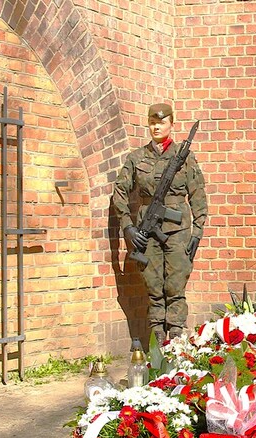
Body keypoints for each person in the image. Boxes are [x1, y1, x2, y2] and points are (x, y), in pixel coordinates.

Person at [112, 103, 208, 343]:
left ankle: (176, 343)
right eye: (153, 122)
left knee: (175, 288)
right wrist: (128, 227)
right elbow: (120, 192)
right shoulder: (136, 158)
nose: (157, 127)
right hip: (147, 233)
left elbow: (198, 194)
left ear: (171, 125)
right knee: (154, 288)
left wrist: (197, 232)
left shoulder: (184, 157)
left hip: (178, 232)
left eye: (162, 122)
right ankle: (156, 345)